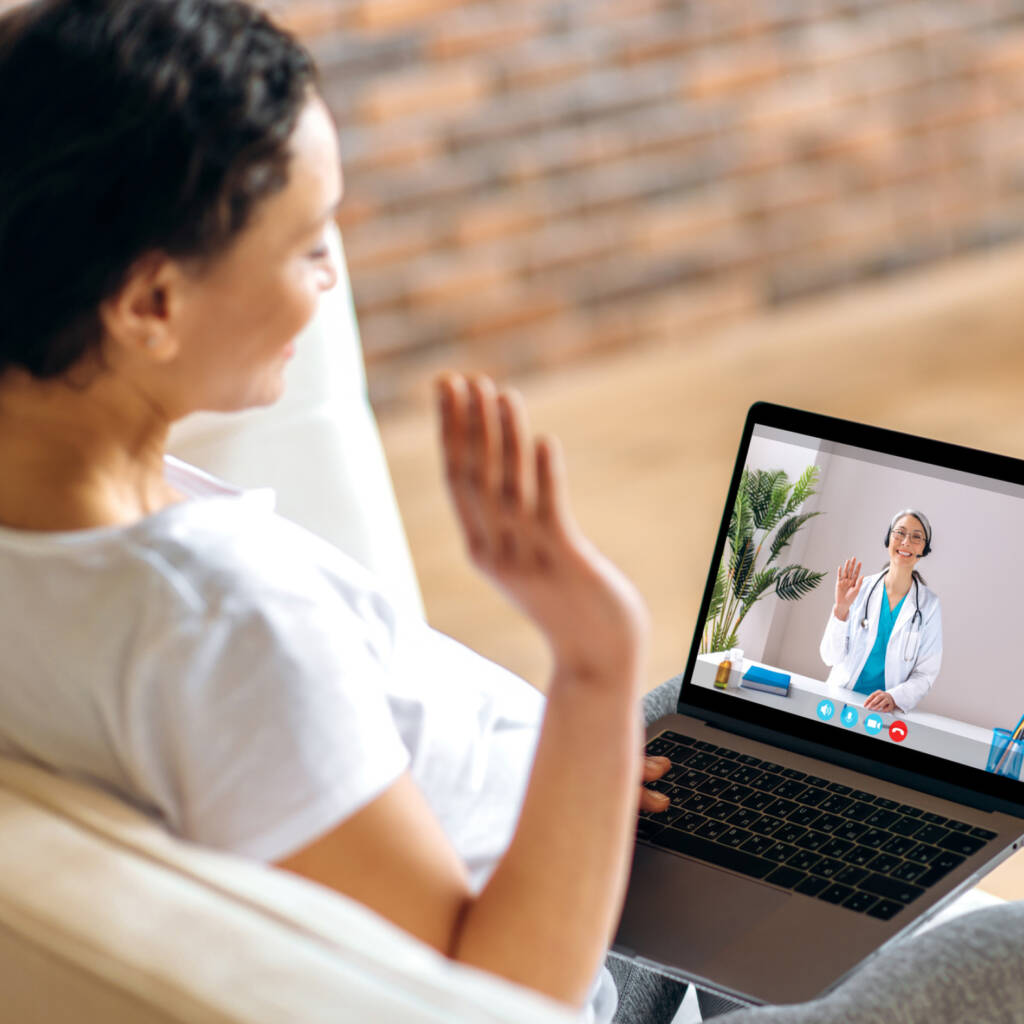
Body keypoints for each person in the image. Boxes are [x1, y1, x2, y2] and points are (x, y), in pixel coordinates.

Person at [0, 2, 677, 1020]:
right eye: (309, 246)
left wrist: (568, 771)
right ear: (149, 305)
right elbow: (488, 995)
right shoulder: (221, 624)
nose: (326, 283)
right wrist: (596, 659)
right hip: (586, 964)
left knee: (752, 739)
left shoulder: (65, 525)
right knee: (1001, 943)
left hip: (521, 818)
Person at [820, 511, 942, 714]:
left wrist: (895, 697)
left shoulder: (929, 606)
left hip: (884, 711)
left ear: (924, 548)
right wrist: (841, 610)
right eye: (899, 533)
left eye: (916, 537)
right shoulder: (860, 589)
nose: (906, 542)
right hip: (840, 698)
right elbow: (830, 657)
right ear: (888, 540)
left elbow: (925, 673)